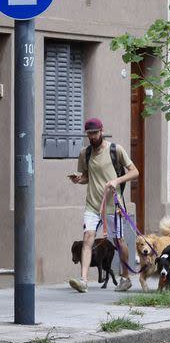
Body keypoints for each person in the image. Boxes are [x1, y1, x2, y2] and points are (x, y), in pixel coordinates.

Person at [67, 118, 139, 293]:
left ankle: (125, 278)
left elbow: (135, 172)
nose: (92, 137)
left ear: (101, 131)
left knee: (119, 241)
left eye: (94, 133)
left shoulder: (116, 150)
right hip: (92, 205)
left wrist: (117, 180)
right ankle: (83, 281)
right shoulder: (85, 153)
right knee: (87, 238)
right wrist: (78, 179)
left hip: (113, 205)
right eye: (89, 134)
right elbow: (86, 176)